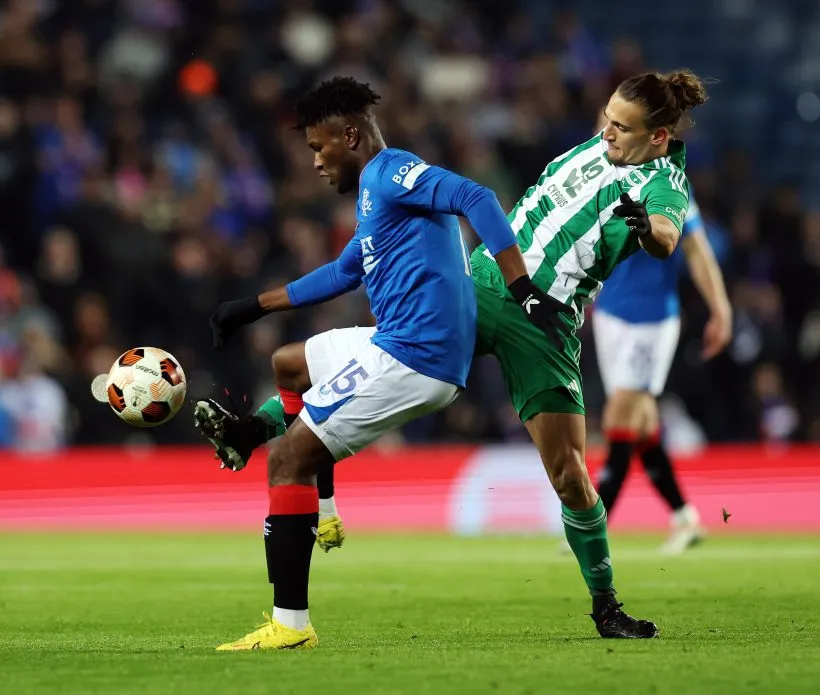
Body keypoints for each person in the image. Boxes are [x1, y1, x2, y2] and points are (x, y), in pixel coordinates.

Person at [201, 70, 710, 644]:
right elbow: (350, 266)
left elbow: (666, 232)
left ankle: (606, 605)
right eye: (608, 118)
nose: (607, 132)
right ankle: (263, 441)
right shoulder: (603, 143)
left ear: (659, 138)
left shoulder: (664, 181)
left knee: (569, 475)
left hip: (545, 322)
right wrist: (255, 305)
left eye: (622, 127)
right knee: (311, 361)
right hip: (487, 283)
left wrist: (648, 233)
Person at [592, 172, 732, 554]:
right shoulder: (598, 173)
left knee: (620, 414)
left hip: (652, 319)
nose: (609, 133)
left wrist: (719, 309)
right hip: (609, 314)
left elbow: (698, 250)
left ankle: (593, 525)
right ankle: (684, 516)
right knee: (641, 421)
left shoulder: (671, 186)